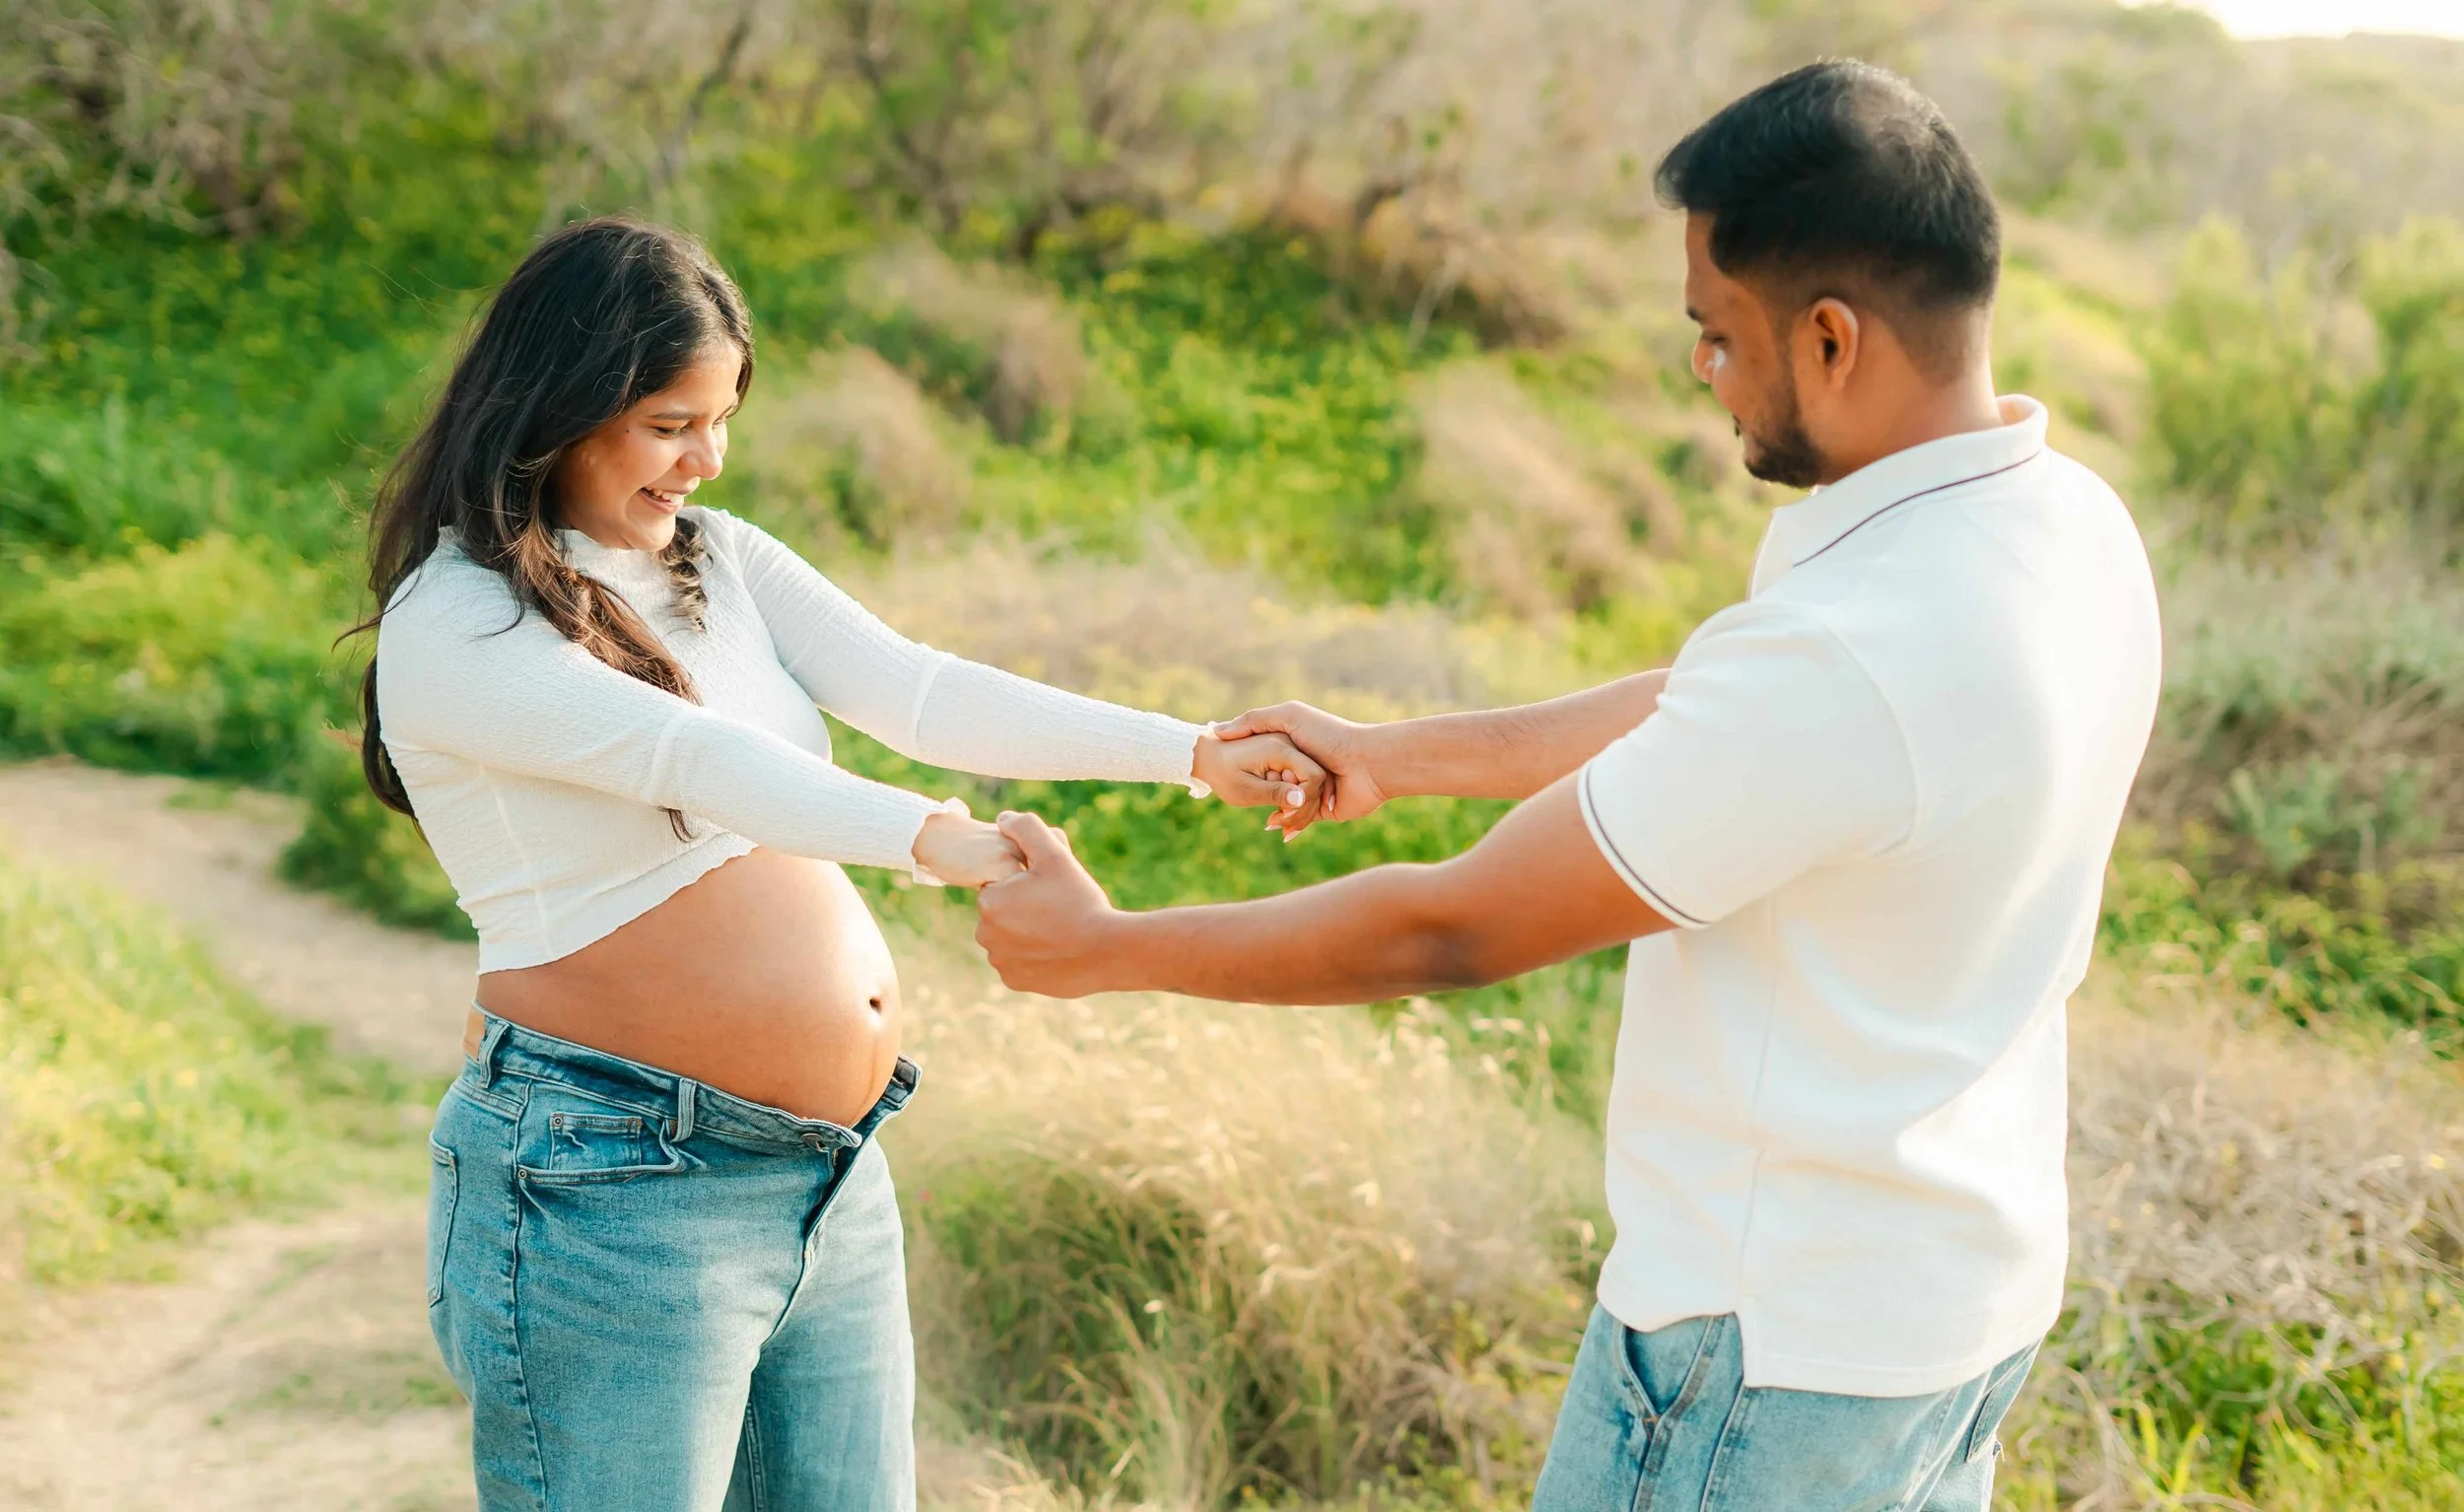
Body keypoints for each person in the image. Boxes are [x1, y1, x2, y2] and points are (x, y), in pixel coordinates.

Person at [975, 60, 2161, 1512]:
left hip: (1764, 1352)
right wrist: (1402, 755)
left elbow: (1450, 931)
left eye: (1718, 336)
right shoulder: (2061, 524)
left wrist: (1106, 950)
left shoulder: (1848, 659)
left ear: (1833, 338)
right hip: (1951, 1315)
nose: (1703, 373)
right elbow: (1718, 701)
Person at [359, 216, 1323, 1511]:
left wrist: (1193, 751)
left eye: (722, 417)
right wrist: (952, 845)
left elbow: (922, 691)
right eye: (666, 422)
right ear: (559, 405)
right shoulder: (458, 619)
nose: (705, 457)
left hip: (828, 1169)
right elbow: (691, 758)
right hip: (613, 1179)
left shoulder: (721, 561)